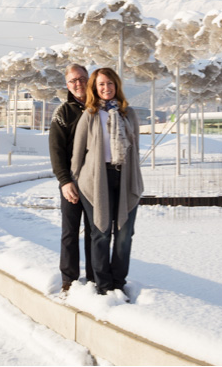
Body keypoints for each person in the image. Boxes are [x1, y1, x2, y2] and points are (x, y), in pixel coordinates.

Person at [71, 67, 143, 299]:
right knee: (100, 233)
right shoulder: (90, 114)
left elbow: (135, 148)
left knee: (125, 233)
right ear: (95, 88)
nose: (106, 88)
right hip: (95, 180)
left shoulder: (128, 114)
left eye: (110, 83)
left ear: (117, 86)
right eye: (101, 84)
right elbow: (78, 151)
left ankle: (118, 284)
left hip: (125, 178)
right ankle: (102, 286)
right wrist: (73, 180)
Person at [48, 64, 93, 294]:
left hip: (97, 183)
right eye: (73, 80)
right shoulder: (63, 113)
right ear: (67, 85)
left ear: (89, 79)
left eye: (82, 79)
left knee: (97, 231)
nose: (78, 84)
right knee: (70, 232)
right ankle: (69, 280)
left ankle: (95, 277)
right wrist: (65, 182)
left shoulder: (99, 108)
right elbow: (56, 151)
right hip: (72, 184)